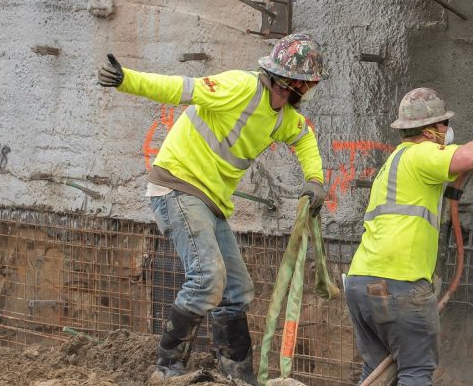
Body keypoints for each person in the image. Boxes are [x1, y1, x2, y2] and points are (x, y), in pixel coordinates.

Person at [97, 33, 329, 384]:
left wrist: (314, 180)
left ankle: (238, 377)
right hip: (178, 186)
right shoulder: (240, 87)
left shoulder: (282, 118)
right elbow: (181, 89)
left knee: (236, 291)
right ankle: (166, 369)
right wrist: (126, 79)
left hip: (211, 203)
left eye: (300, 86)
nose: (295, 91)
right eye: (294, 83)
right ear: (284, 79)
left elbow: (305, 138)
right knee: (207, 278)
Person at [345, 87, 473, 386]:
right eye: (445, 124)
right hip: (398, 283)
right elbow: (470, 157)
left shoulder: (394, 161)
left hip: (360, 282)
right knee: (415, 372)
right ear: (430, 130)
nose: (447, 130)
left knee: (376, 373)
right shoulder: (422, 154)